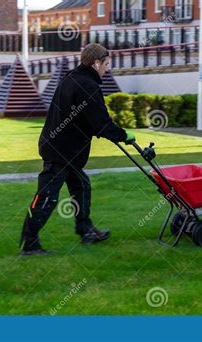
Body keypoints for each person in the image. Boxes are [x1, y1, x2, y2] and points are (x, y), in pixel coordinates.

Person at [20, 43, 135, 256]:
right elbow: (99, 122)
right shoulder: (87, 86)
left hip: (63, 148)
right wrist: (123, 135)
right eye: (106, 64)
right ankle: (29, 243)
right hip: (61, 150)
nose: (107, 69)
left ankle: (86, 230)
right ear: (96, 62)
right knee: (47, 197)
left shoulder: (72, 78)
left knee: (81, 186)